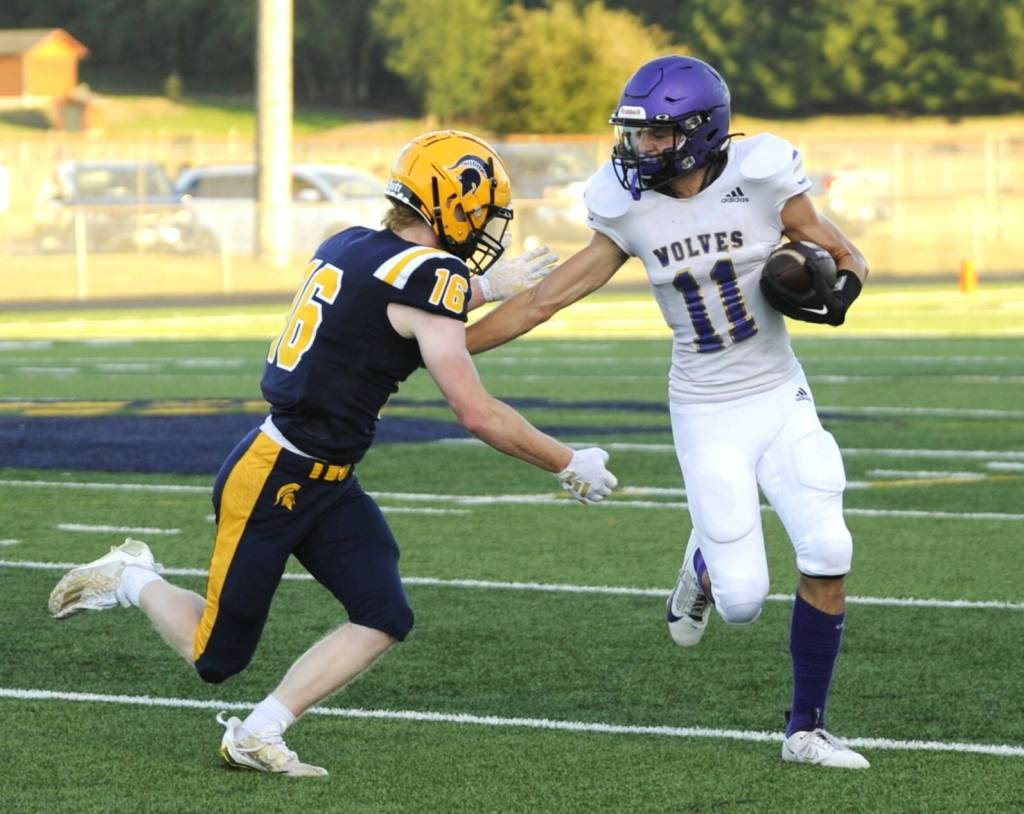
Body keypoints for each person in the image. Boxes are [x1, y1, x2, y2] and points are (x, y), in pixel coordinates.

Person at [47, 130, 618, 777]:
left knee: (383, 613)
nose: (486, 226)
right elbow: (474, 408)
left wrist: (482, 286)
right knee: (217, 658)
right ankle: (130, 576)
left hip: (327, 477)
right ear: (451, 207)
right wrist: (565, 461)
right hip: (275, 475)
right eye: (480, 210)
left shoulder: (350, 243)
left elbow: (390, 309)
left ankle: (259, 732)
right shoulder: (431, 278)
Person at [465, 56, 870, 769]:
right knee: (743, 601)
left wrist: (836, 286)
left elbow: (841, 251)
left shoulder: (764, 172)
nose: (640, 149)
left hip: (779, 391)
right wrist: (447, 353)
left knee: (829, 549)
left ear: (699, 131)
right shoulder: (626, 207)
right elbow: (544, 299)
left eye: (656, 136)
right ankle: (702, 567)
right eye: (636, 135)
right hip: (705, 407)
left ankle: (806, 729)